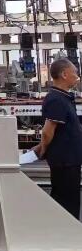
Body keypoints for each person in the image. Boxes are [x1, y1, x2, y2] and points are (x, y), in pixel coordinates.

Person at [35, 57, 82, 220]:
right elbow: (47, 132)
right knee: (65, 201)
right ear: (64, 74)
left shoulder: (64, 97)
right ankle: (64, 230)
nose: (77, 76)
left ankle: (67, 228)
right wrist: (43, 149)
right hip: (64, 161)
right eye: (75, 72)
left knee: (71, 198)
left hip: (71, 159)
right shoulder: (56, 99)